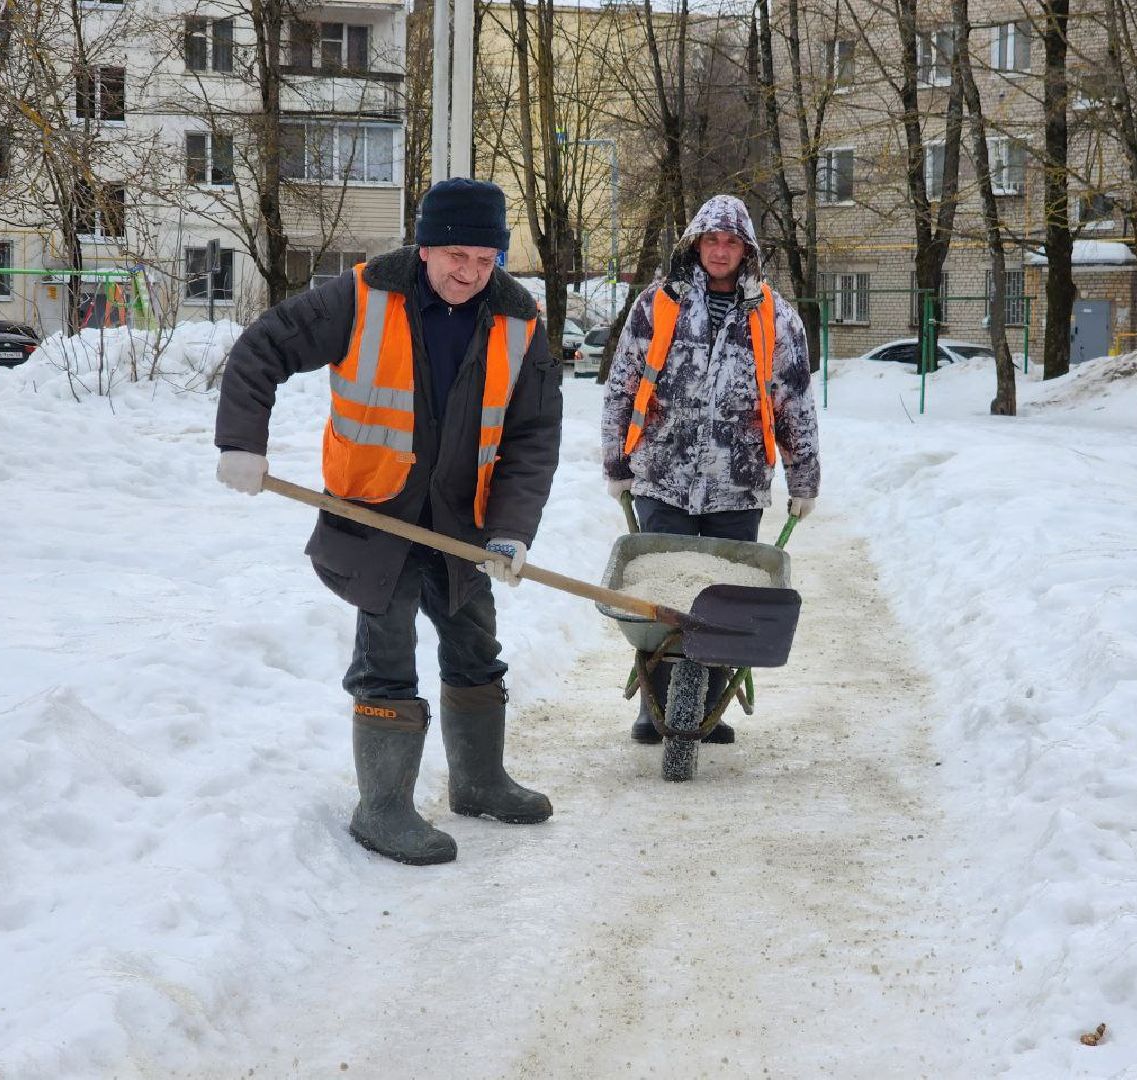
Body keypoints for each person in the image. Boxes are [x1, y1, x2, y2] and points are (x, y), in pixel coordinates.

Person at [215, 177, 563, 866]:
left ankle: (480, 780)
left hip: (462, 522)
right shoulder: (363, 297)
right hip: (374, 515)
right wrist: (241, 443)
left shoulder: (520, 321)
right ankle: (383, 807)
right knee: (387, 652)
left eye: (485, 259)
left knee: (475, 645)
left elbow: (533, 435)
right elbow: (263, 348)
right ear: (427, 245)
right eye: (456, 255)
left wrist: (513, 529)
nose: (468, 272)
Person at [601, 193, 820, 745]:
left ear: (746, 251)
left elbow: (795, 400)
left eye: (731, 243)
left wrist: (803, 479)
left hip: (738, 483)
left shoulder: (775, 315)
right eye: (711, 240)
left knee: (724, 599)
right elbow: (622, 385)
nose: (720, 251)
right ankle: (656, 707)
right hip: (663, 476)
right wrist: (616, 462)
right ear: (694, 244)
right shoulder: (658, 305)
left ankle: (707, 709)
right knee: (661, 600)